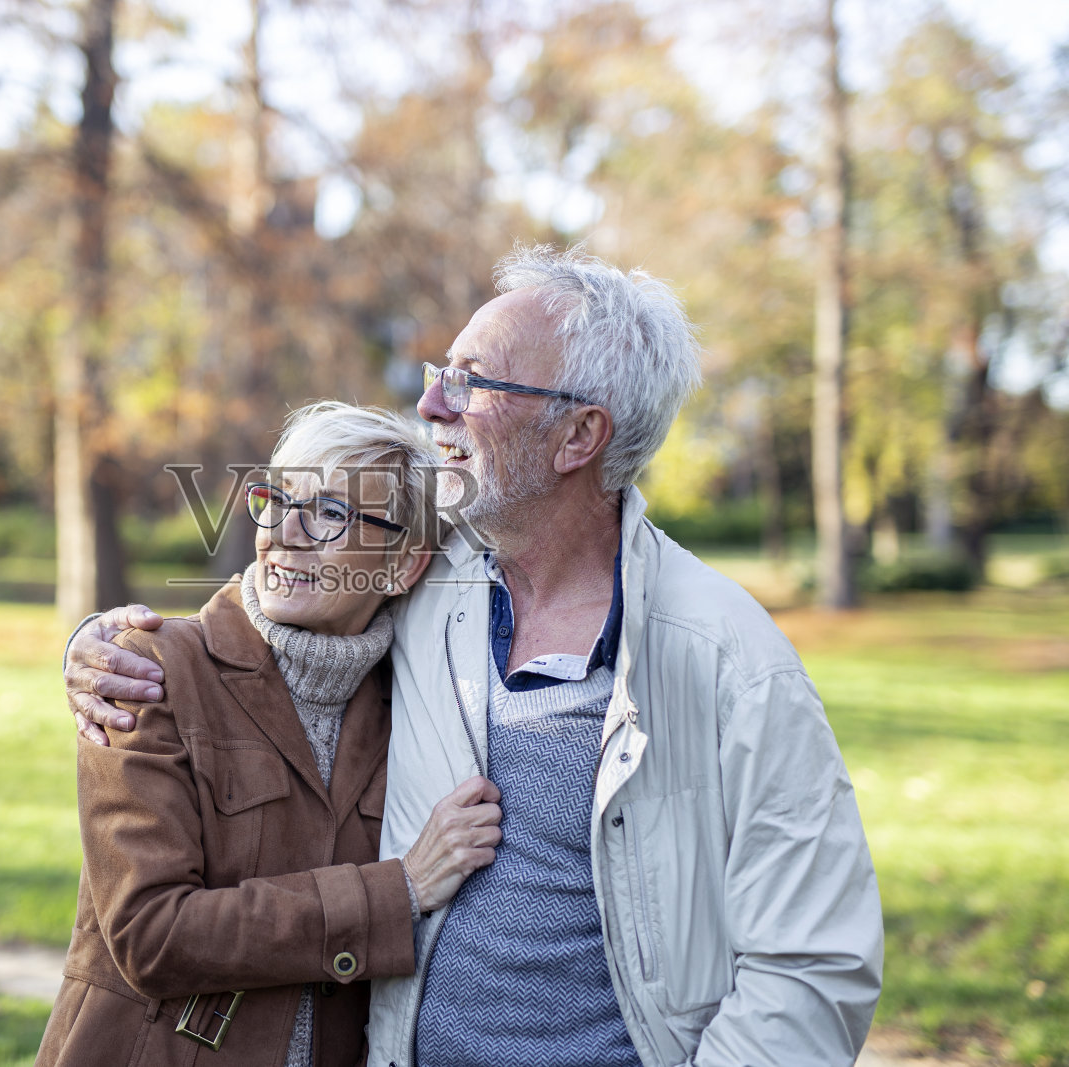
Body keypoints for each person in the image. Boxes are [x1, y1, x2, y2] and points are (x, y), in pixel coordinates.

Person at [66, 245, 884, 1067]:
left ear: (578, 435)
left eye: (470, 383)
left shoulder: (726, 657)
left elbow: (812, 963)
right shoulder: (426, 579)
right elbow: (291, 592)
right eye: (437, 372)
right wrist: (104, 645)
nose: (430, 404)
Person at [35, 401, 504, 1067]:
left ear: (402, 566)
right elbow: (151, 934)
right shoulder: (150, 670)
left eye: (330, 513)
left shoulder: (414, 706)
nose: (283, 532)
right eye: (276, 499)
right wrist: (393, 891)